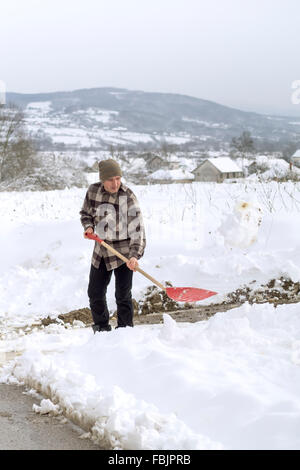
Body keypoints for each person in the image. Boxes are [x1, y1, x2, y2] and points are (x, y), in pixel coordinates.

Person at [80, 159, 146, 332]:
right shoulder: (93, 191)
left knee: (123, 296)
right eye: (110, 179)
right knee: (95, 293)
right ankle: (101, 329)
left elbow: (137, 231)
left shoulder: (128, 197)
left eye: (118, 178)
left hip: (124, 253)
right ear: (102, 179)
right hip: (101, 251)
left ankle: (125, 332)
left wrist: (134, 256)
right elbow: (86, 213)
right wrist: (88, 227)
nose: (115, 183)